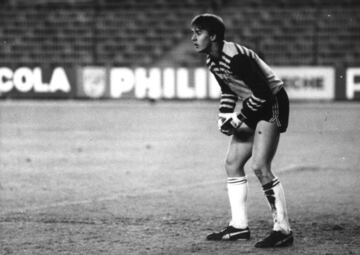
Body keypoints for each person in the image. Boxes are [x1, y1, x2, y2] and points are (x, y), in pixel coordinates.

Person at [190, 13, 294, 248]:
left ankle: (283, 229)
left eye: (198, 33)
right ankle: (238, 226)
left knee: (260, 165)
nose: (193, 38)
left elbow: (264, 94)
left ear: (213, 36)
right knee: (232, 163)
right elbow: (228, 90)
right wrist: (224, 116)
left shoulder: (236, 58)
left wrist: (240, 117)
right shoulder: (212, 60)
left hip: (272, 103)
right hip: (253, 104)